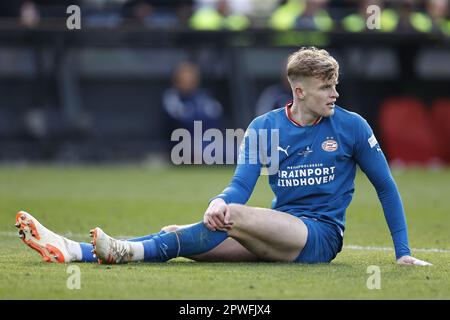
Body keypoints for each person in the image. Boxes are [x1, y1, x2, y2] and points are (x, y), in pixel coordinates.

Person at [16, 47, 431, 266]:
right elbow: (240, 186)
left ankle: (118, 250)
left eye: (336, 85)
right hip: (278, 230)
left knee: (234, 215)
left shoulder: (351, 126)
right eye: (326, 87)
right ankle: (76, 252)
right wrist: (219, 199)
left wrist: (402, 252)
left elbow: (386, 187)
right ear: (299, 91)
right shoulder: (265, 127)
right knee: (177, 232)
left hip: (319, 237)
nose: (335, 94)